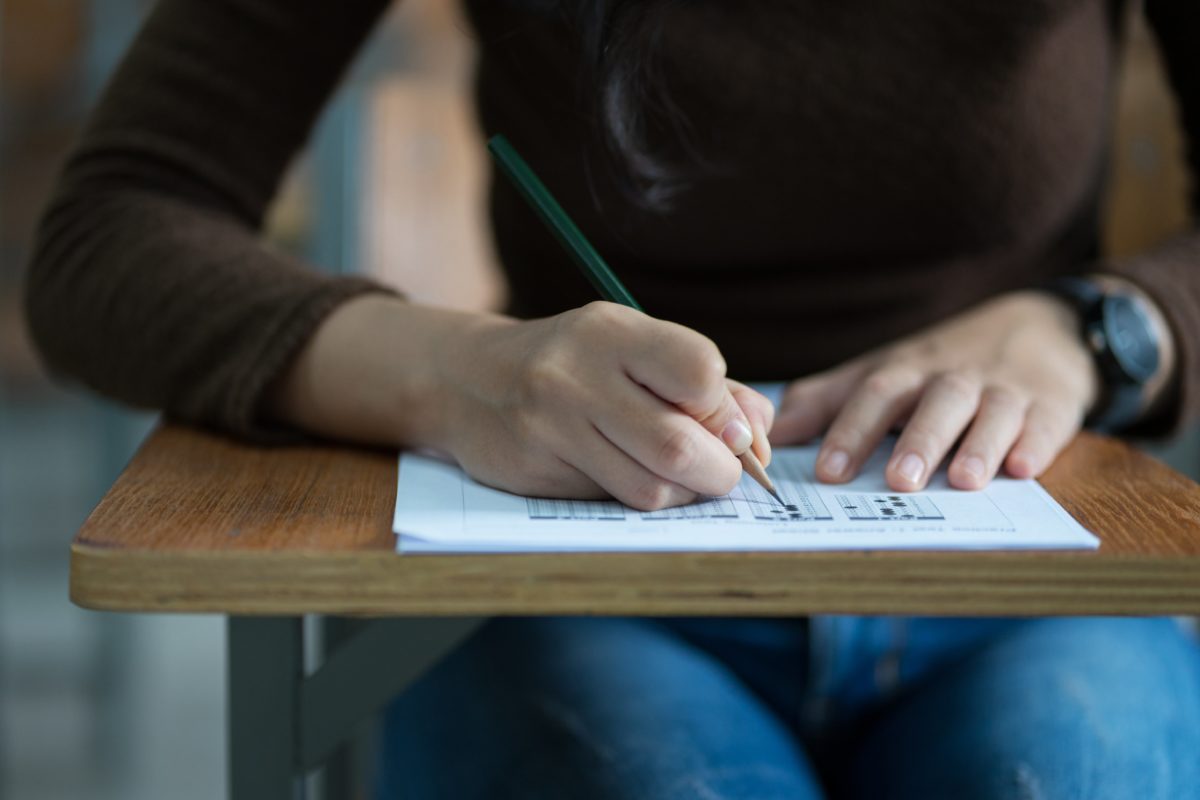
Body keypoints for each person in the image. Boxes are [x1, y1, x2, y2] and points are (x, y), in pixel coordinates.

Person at [24, 1, 1200, 797]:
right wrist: (451, 370)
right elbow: (109, 234)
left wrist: (1101, 325)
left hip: (1031, 566)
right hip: (573, 568)